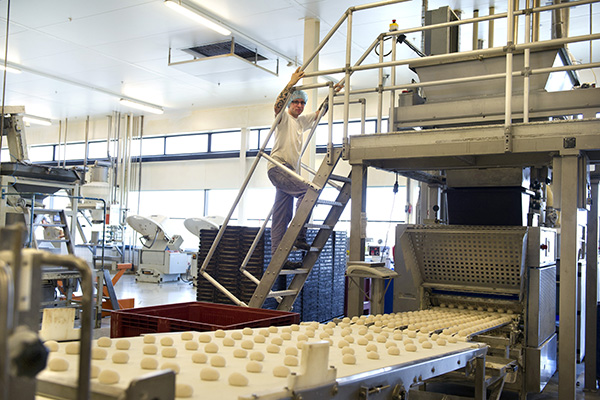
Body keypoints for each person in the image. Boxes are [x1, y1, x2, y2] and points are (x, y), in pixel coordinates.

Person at [268, 67, 342, 268]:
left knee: (280, 217)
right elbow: (277, 105)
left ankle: (278, 259)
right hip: (278, 168)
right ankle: (299, 236)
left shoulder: (301, 122)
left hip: (289, 171)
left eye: (302, 103)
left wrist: (332, 94)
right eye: (296, 102)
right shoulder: (283, 118)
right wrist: (291, 83)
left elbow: (320, 113)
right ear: (290, 103)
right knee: (309, 191)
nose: (299, 106)